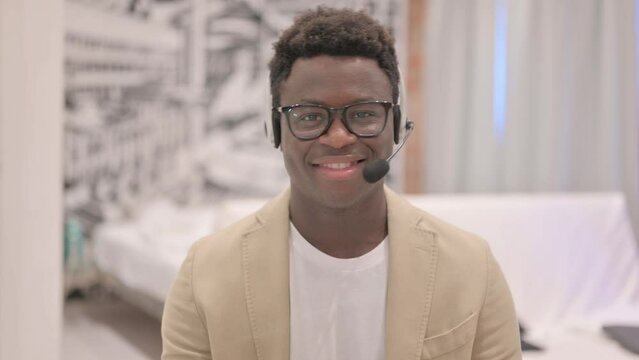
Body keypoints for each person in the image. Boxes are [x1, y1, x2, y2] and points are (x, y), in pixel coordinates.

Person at [161, 6, 522, 360]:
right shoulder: (206, 273)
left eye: (364, 113)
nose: (337, 137)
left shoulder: (471, 267)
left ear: (396, 125)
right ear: (275, 130)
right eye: (309, 116)